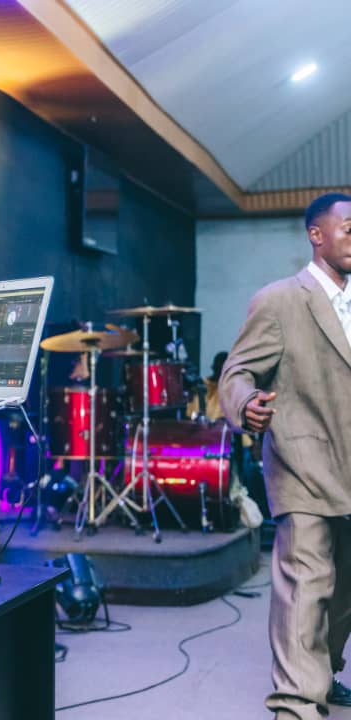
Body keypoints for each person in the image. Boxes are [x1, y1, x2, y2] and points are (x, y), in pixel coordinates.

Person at [220, 192, 351, 720]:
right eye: (348, 226)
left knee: (343, 590)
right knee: (305, 584)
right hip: (302, 467)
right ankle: (296, 703)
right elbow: (237, 372)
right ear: (316, 235)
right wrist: (246, 403)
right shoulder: (278, 301)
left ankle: (323, 673)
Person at [187, 351, 227, 421]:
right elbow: (190, 414)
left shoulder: (230, 390)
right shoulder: (200, 386)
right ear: (214, 368)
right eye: (219, 368)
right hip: (197, 425)